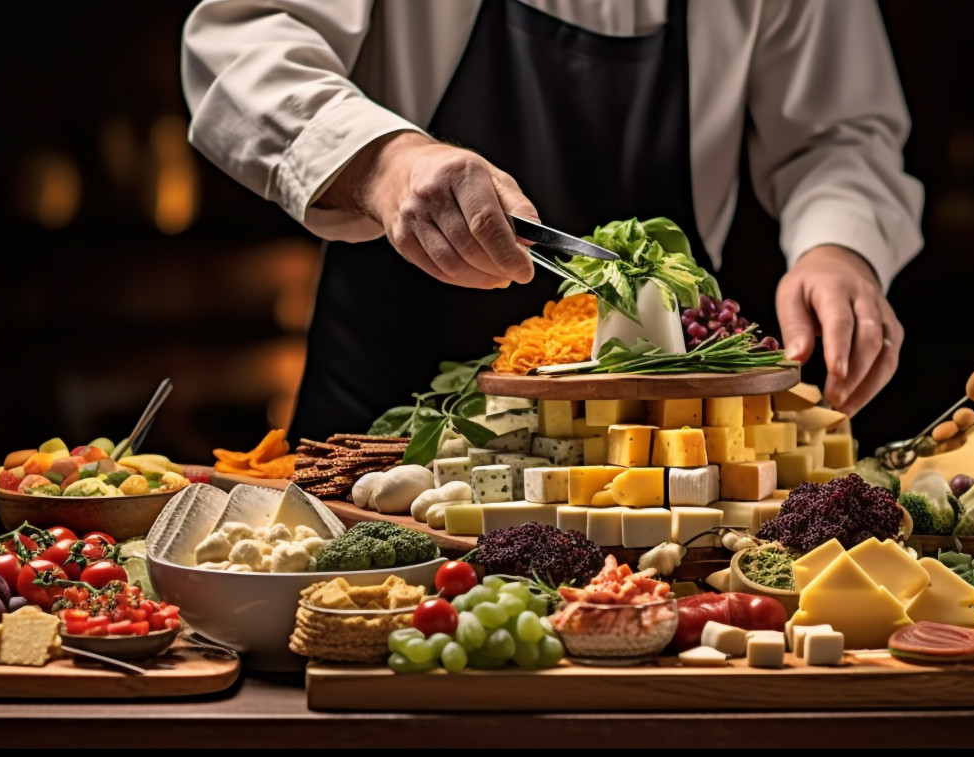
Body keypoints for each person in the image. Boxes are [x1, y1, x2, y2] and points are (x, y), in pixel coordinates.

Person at [182, 0, 924, 440]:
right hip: (393, 409)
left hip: (660, 439)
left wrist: (840, 247)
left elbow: (840, 133)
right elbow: (243, 39)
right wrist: (384, 163)